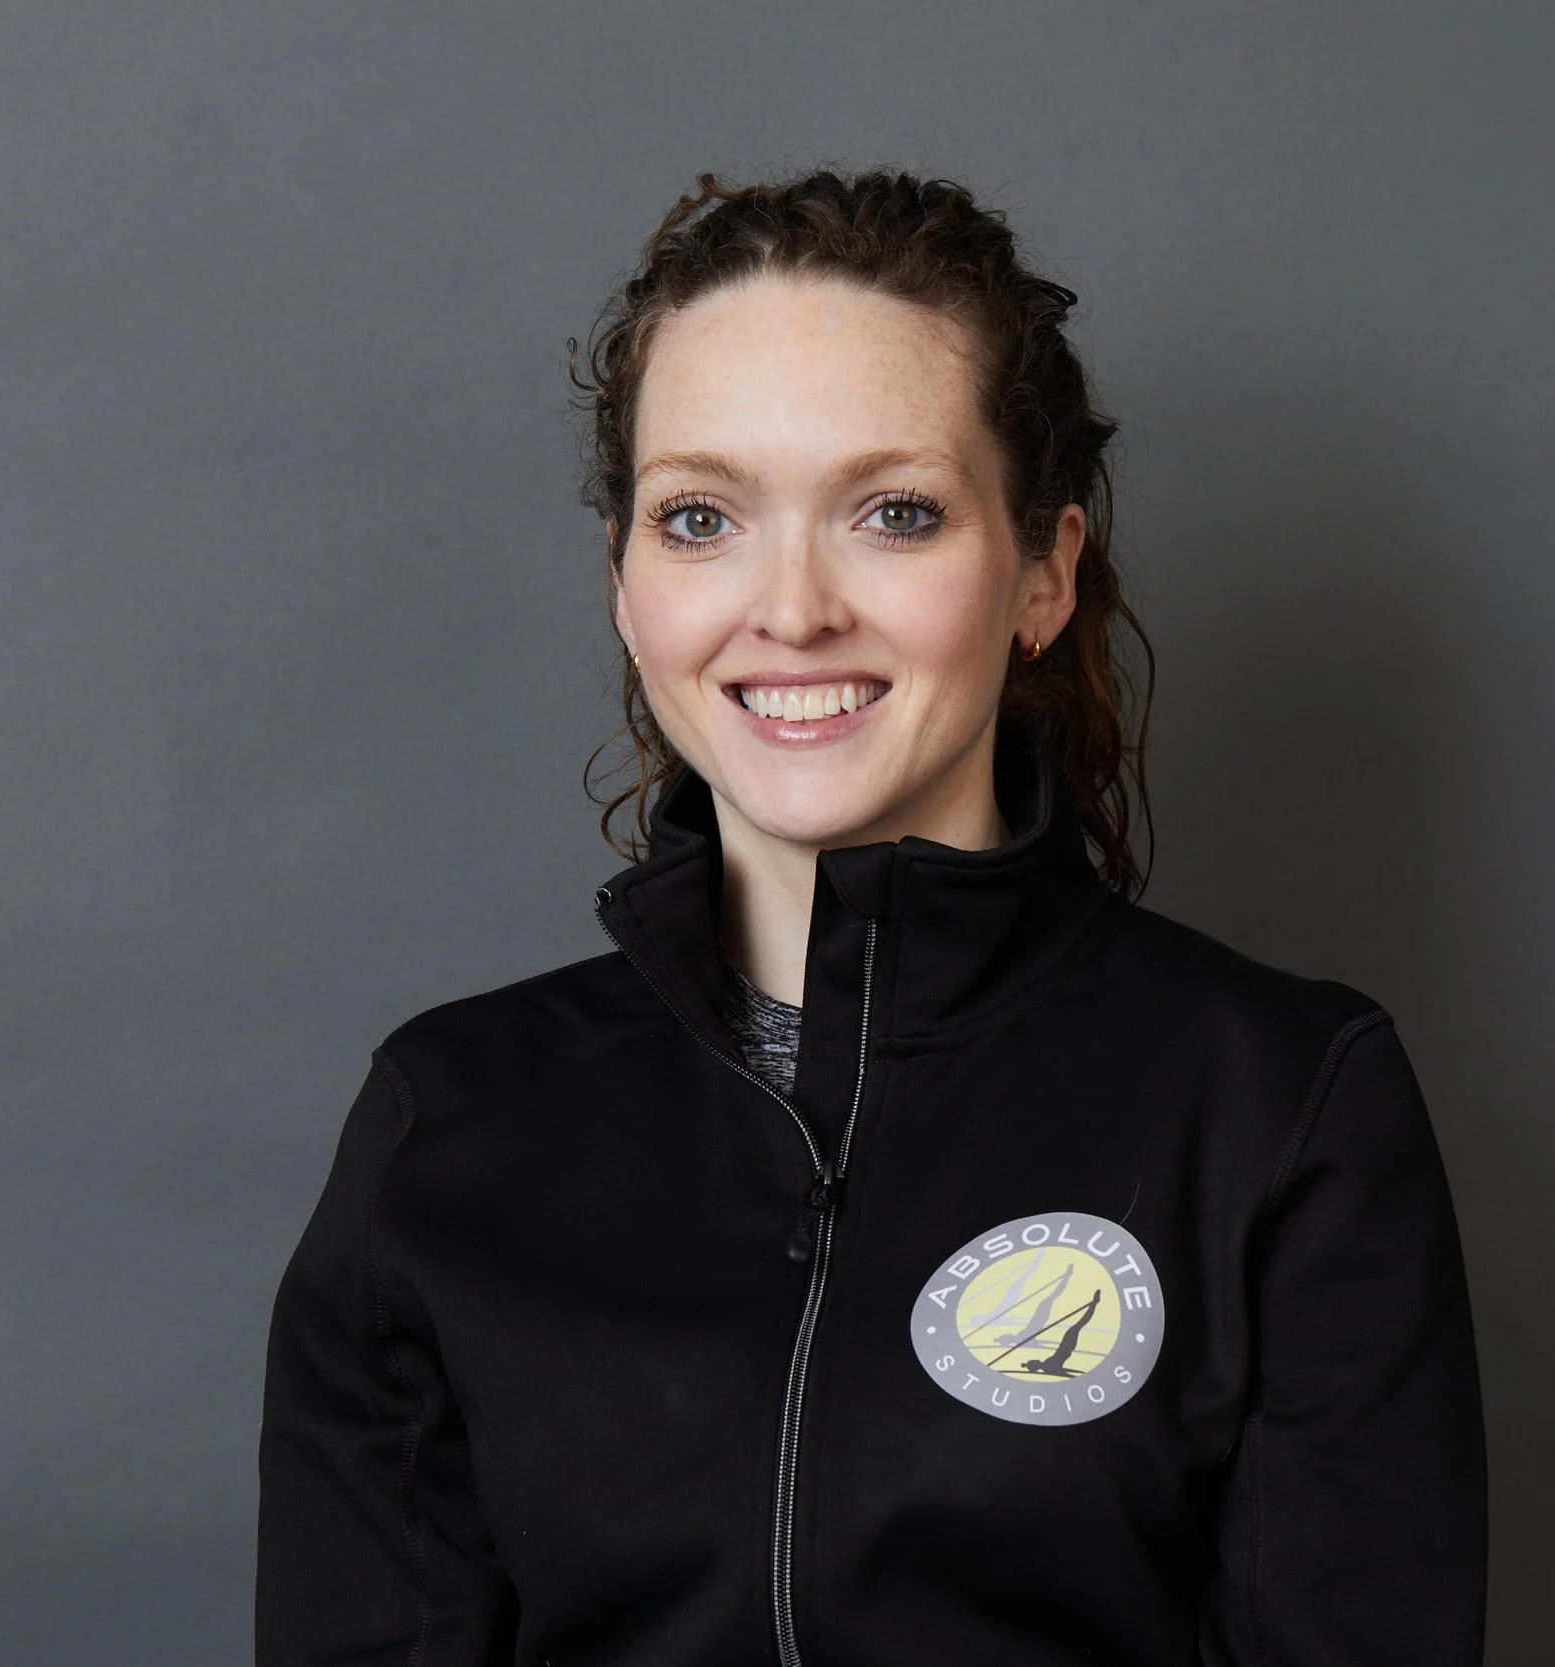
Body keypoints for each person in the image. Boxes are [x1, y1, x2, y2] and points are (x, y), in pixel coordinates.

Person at [255, 168, 1486, 1667]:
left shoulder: (1283, 1109)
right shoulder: (446, 1123)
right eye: (700, 518)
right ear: (626, 588)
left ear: (1043, 575)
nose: (792, 609)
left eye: (894, 513)